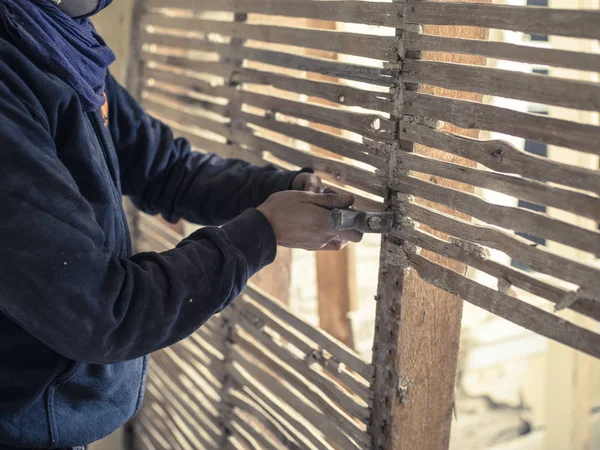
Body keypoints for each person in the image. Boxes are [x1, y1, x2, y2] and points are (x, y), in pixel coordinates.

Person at [0, 0, 363, 448]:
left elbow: (163, 168)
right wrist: (262, 232)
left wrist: (281, 187)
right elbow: (101, 311)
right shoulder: (11, 79)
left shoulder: (54, 43)